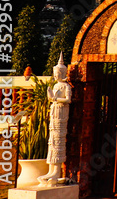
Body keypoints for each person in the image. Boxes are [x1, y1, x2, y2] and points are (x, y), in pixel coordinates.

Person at [38, 55, 71, 186]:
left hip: (62, 113)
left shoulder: (65, 86)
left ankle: (56, 171)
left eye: (57, 73)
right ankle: (51, 170)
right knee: (52, 141)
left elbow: (68, 100)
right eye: (55, 73)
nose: (56, 75)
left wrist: (56, 99)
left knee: (58, 141)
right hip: (54, 112)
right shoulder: (56, 85)